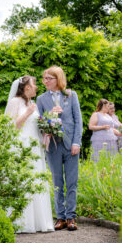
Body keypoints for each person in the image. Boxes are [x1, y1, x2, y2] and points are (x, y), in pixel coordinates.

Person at [5, 75, 54, 233]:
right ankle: (21, 222)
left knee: (35, 181)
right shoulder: (15, 102)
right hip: (21, 147)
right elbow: (10, 127)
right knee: (23, 182)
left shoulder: (32, 103)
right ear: (26, 87)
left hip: (34, 147)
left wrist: (47, 132)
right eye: (34, 84)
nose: (37, 87)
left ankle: (39, 222)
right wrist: (27, 113)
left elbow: (36, 125)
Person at [36, 66, 83, 231]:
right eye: (45, 78)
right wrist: (50, 115)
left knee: (71, 182)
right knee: (57, 182)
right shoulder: (41, 99)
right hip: (53, 146)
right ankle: (60, 218)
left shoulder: (71, 95)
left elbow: (78, 120)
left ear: (58, 79)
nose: (46, 81)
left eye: (49, 78)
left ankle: (71, 217)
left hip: (71, 146)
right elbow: (39, 123)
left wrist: (77, 142)